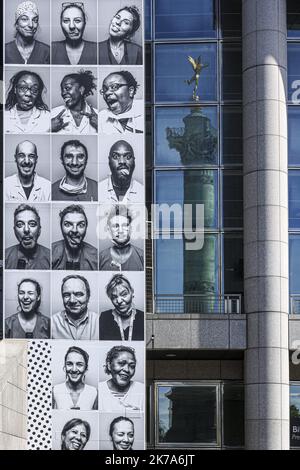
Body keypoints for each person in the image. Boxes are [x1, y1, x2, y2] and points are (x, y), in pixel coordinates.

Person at [52, 274, 99, 340]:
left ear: (88, 297)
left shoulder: (99, 321)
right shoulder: (52, 322)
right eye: (67, 295)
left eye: (78, 294)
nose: (72, 300)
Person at [98, 345, 144, 412]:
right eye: (121, 363)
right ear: (109, 365)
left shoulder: (142, 390)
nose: (127, 370)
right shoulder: (99, 390)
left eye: (132, 366)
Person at [52, 204, 98, 270]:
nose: (74, 230)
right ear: (61, 227)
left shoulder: (96, 257)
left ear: (86, 228)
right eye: (67, 224)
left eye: (81, 225)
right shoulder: (51, 253)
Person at [51, 70, 98, 134]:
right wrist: (49, 127)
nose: (63, 93)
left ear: (81, 89)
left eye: (67, 88)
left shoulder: (98, 117)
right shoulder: (53, 114)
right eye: (62, 90)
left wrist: (100, 126)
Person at [99, 274, 144, 341]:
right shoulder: (104, 317)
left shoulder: (143, 317)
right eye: (114, 297)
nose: (119, 301)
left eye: (124, 294)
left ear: (132, 292)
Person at [6, 204, 50, 270]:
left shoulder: (50, 256)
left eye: (32, 224)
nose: (26, 229)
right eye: (20, 224)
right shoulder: (5, 256)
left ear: (39, 230)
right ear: (14, 230)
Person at [99, 205, 144, 271]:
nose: (120, 231)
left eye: (125, 225)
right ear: (109, 229)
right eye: (115, 226)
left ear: (130, 228)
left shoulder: (142, 256)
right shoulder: (100, 257)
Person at [53, 346, 97, 410]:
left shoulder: (94, 392)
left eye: (79, 364)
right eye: (69, 364)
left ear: (86, 369)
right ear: (65, 368)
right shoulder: (54, 391)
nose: (74, 369)